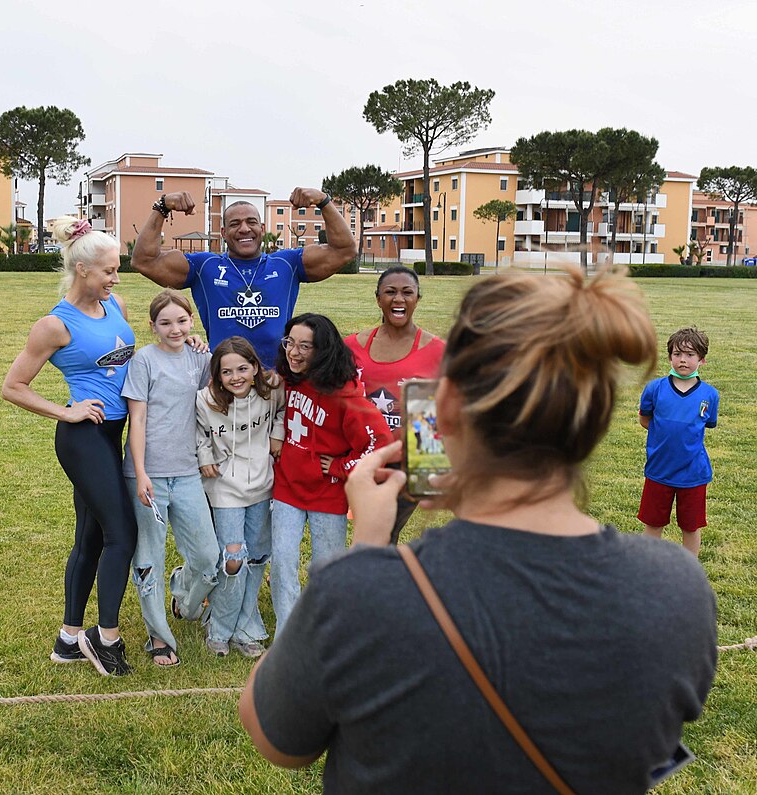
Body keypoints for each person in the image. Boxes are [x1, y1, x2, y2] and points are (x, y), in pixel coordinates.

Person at [240, 267, 717, 793]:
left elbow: (275, 737)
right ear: (593, 421)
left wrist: (363, 558)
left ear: (442, 407)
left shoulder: (360, 590)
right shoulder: (678, 588)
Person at [1, 216, 137, 677]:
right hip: (84, 437)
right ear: (83, 270)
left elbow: (126, 364)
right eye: (109, 271)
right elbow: (13, 387)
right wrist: (68, 412)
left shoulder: (114, 304)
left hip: (114, 432)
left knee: (92, 536)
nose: (116, 279)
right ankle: (105, 639)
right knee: (123, 533)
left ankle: (68, 639)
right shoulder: (54, 325)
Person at [130, 189, 357, 368]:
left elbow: (344, 250)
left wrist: (324, 201)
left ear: (262, 228)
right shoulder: (204, 266)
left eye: (251, 222)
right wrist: (162, 207)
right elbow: (144, 261)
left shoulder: (287, 264)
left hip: (277, 381)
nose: (244, 229)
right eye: (235, 224)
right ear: (223, 233)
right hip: (225, 382)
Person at [269, 313, 392, 631]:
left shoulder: (344, 396)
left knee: (326, 567)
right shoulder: (289, 379)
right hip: (287, 486)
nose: (294, 352)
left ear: (322, 350)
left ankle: (324, 629)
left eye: (304, 346)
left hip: (327, 492)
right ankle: (287, 633)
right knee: (282, 560)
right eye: (290, 343)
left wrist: (339, 466)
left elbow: (379, 444)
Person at [121, 289, 215, 667]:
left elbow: (218, 395)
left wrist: (202, 346)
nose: (175, 329)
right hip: (148, 476)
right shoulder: (143, 360)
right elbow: (138, 419)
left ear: (191, 321)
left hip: (188, 471)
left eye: (181, 321)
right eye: (165, 323)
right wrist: (140, 472)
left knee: (208, 556)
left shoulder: (200, 357)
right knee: (149, 558)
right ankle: (158, 637)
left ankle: (184, 597)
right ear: (152, 326)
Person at [196, 336, 285, 657]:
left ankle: (247, 629)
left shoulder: (272, 390)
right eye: (227, 372)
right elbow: (199, 433)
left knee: (257, 557)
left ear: (255, 368)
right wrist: (204, 455)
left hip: (262, 484)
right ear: (217, 376)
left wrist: (277, 434)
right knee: (233, 560)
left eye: (242, 369)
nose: (236, 377)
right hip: (224, 487)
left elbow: (282, 412)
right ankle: (220, 628)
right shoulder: (206, 400)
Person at [345, 265, 446, 541]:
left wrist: (428, 470)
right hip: (362, 458)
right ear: (378, 298)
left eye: (407, 292)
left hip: (407, 463)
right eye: (390, 292)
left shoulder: (438, 351)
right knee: (373, 533)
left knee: (383, 533)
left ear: (417, 299)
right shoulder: (351, 347)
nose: (398, 299)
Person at [638, 327, 718, 557]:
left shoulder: (710, 395)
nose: (683, 359)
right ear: (670, 357)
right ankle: (648, 565)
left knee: (690, 526)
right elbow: (645, 420)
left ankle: (689, 569)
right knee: (653, 523)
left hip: (693, 473)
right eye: (677, 354)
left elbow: (705, 425)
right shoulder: (655, 389)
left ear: (702, 360)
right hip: (659, 470)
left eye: (690, 354)